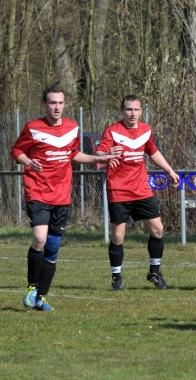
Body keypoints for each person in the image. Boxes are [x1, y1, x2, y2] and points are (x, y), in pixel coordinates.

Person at [11, 83, 122, 311]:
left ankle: (41, 298)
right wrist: (28, 161)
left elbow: (74, 154)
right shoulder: (33, 127)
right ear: (44, 104)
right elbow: (16, 151)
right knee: (40, 239)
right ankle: (32, 288)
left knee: (52, 247)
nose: (57, 107)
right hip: (38, 190)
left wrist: (101, 158)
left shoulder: (73, 127)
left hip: (62, 195)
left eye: (61, 103)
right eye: (52, 102)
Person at [96, 94, 179, 291]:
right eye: (128, 109)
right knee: (118, 235)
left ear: (141, 111)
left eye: (136, 109)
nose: (132, 113)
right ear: (121, 111)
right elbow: (99, 153)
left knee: (157, 229)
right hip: (118, 189)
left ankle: (154, 273)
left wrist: (170, 171)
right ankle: (116, 277)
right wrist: (106, 156)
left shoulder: (146, 130)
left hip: (141, 189)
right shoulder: (112, 131)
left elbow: (153, 152)